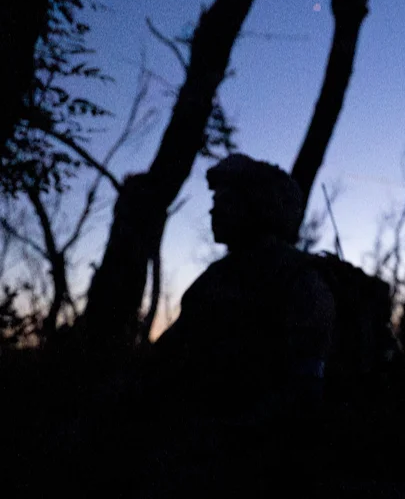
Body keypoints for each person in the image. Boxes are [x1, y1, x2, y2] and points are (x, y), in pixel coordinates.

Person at [143, 153, 336, 493]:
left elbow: (304, 392)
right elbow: (163, 363)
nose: (213, 210)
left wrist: (226, 435)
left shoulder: (299, 280)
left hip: (259, 462)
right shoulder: (217, 279)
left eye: (226, 200)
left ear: (259, 205)